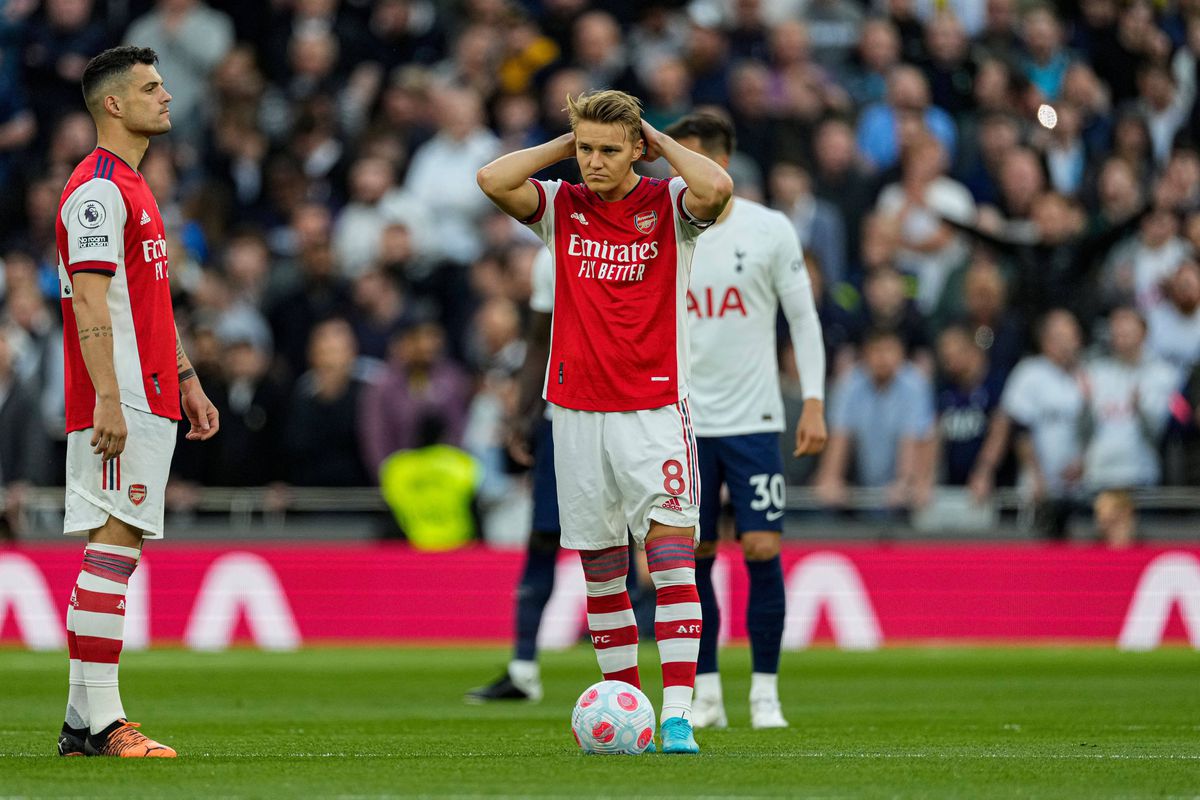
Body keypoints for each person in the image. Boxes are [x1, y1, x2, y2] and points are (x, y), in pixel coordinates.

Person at [477, 89, 732, 753]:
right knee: (602, 571)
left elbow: (717, 185)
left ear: (638, 151)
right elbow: (492, 179)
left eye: (606, 151)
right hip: (577, 412)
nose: (592, 162)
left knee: (672, 559)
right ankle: (630, 708)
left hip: (653, 410)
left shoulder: (669, 207)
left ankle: (677, 714)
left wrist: (653, 138)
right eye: (585, 149)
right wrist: (570, 140)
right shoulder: (563, 207)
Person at [54, 47, 219, 758]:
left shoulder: (134, 185)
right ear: (113, 105)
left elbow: (145, 300)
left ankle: (76, 723)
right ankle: (108, 725)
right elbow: (89, 301)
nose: (167, 96)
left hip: (150, 391)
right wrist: (110, 401)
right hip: (119, 397)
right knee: (113, 548)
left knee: (115, 546)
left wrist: (185, 375)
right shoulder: (96, 190)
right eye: (152, 88)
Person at [662, 113, 827, 730]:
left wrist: (812, 399)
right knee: (692, 557)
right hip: (683, 422)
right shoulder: (666, 226)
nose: (677, 172)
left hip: (755, 419)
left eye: (690, 158)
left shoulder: (769, 230)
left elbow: (804, 319)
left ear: (720, 166)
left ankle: (765, 693)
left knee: (761, 547)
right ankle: (705, 693)